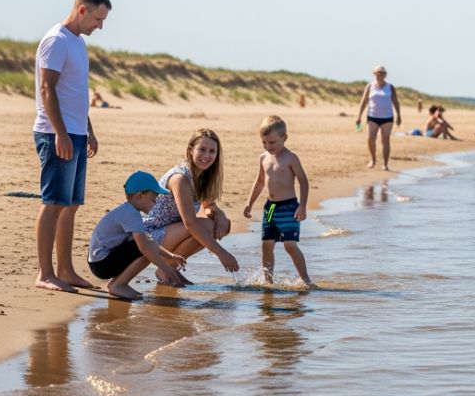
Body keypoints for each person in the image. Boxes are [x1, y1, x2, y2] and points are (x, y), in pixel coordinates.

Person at [34, 0, 111, 293]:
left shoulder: (78, 43)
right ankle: (44, 273)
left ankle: (65, 271)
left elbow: (75, 93)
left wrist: (88, 130)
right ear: (82, 10)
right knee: (53, 203)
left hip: (76, 133)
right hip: (55, 133)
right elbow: (47, 90)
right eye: (97, 18)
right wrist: (62, 133)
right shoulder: (56, 40)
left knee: (71, 205)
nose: (100, 26)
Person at [143, 128, 240, 279]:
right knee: (206, 226)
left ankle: (170, 267)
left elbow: (208, 206)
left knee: (223, 225)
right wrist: (222, 253)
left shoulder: (201, 176)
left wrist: (220, 214)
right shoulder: (180, 178)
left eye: (212, 151)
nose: (207, 156)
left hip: (168, 232)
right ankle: (167, 269)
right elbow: (190, 224)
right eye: (202, 149)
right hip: (148, 237)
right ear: (190, 150)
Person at [88, 171, 189, 300]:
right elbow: (145, 248)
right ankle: (118, 285)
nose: (155, 203)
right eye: (153, 199)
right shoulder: (131, 214)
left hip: (100, 261)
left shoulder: (129, 211)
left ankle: (116, 283)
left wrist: (171, 256)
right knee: (146, 250)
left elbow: (149, 240)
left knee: (146, 243)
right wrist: (166, 269)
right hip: (102, 263)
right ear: (139, 195)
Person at [243, 116, 312, 286]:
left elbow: (303, 181)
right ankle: (268, 281)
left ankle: (305, 279)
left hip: (289, 207)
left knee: (289, 245)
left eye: (272, 142)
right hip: (271, 207)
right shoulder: (263, 158)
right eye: (264, 143)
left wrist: (302, 206)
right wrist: (249, 203)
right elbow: (259, 181)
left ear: (284, 138)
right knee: (266, 244)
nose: (268, 146)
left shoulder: (291, 158)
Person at [354, 65, 402, 170]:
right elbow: (364, 101)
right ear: (374, 73)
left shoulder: (390, 87)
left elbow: (395, 101)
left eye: (382, 73)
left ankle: (385, 164)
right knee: (370, 139)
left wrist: (399, 115)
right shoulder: (370, 86)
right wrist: (359, 116)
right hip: (372, 116)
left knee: (385, 140)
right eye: (378, 72)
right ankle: (373, 159)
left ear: (385, 75)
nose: (380, 74)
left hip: (387, 118)